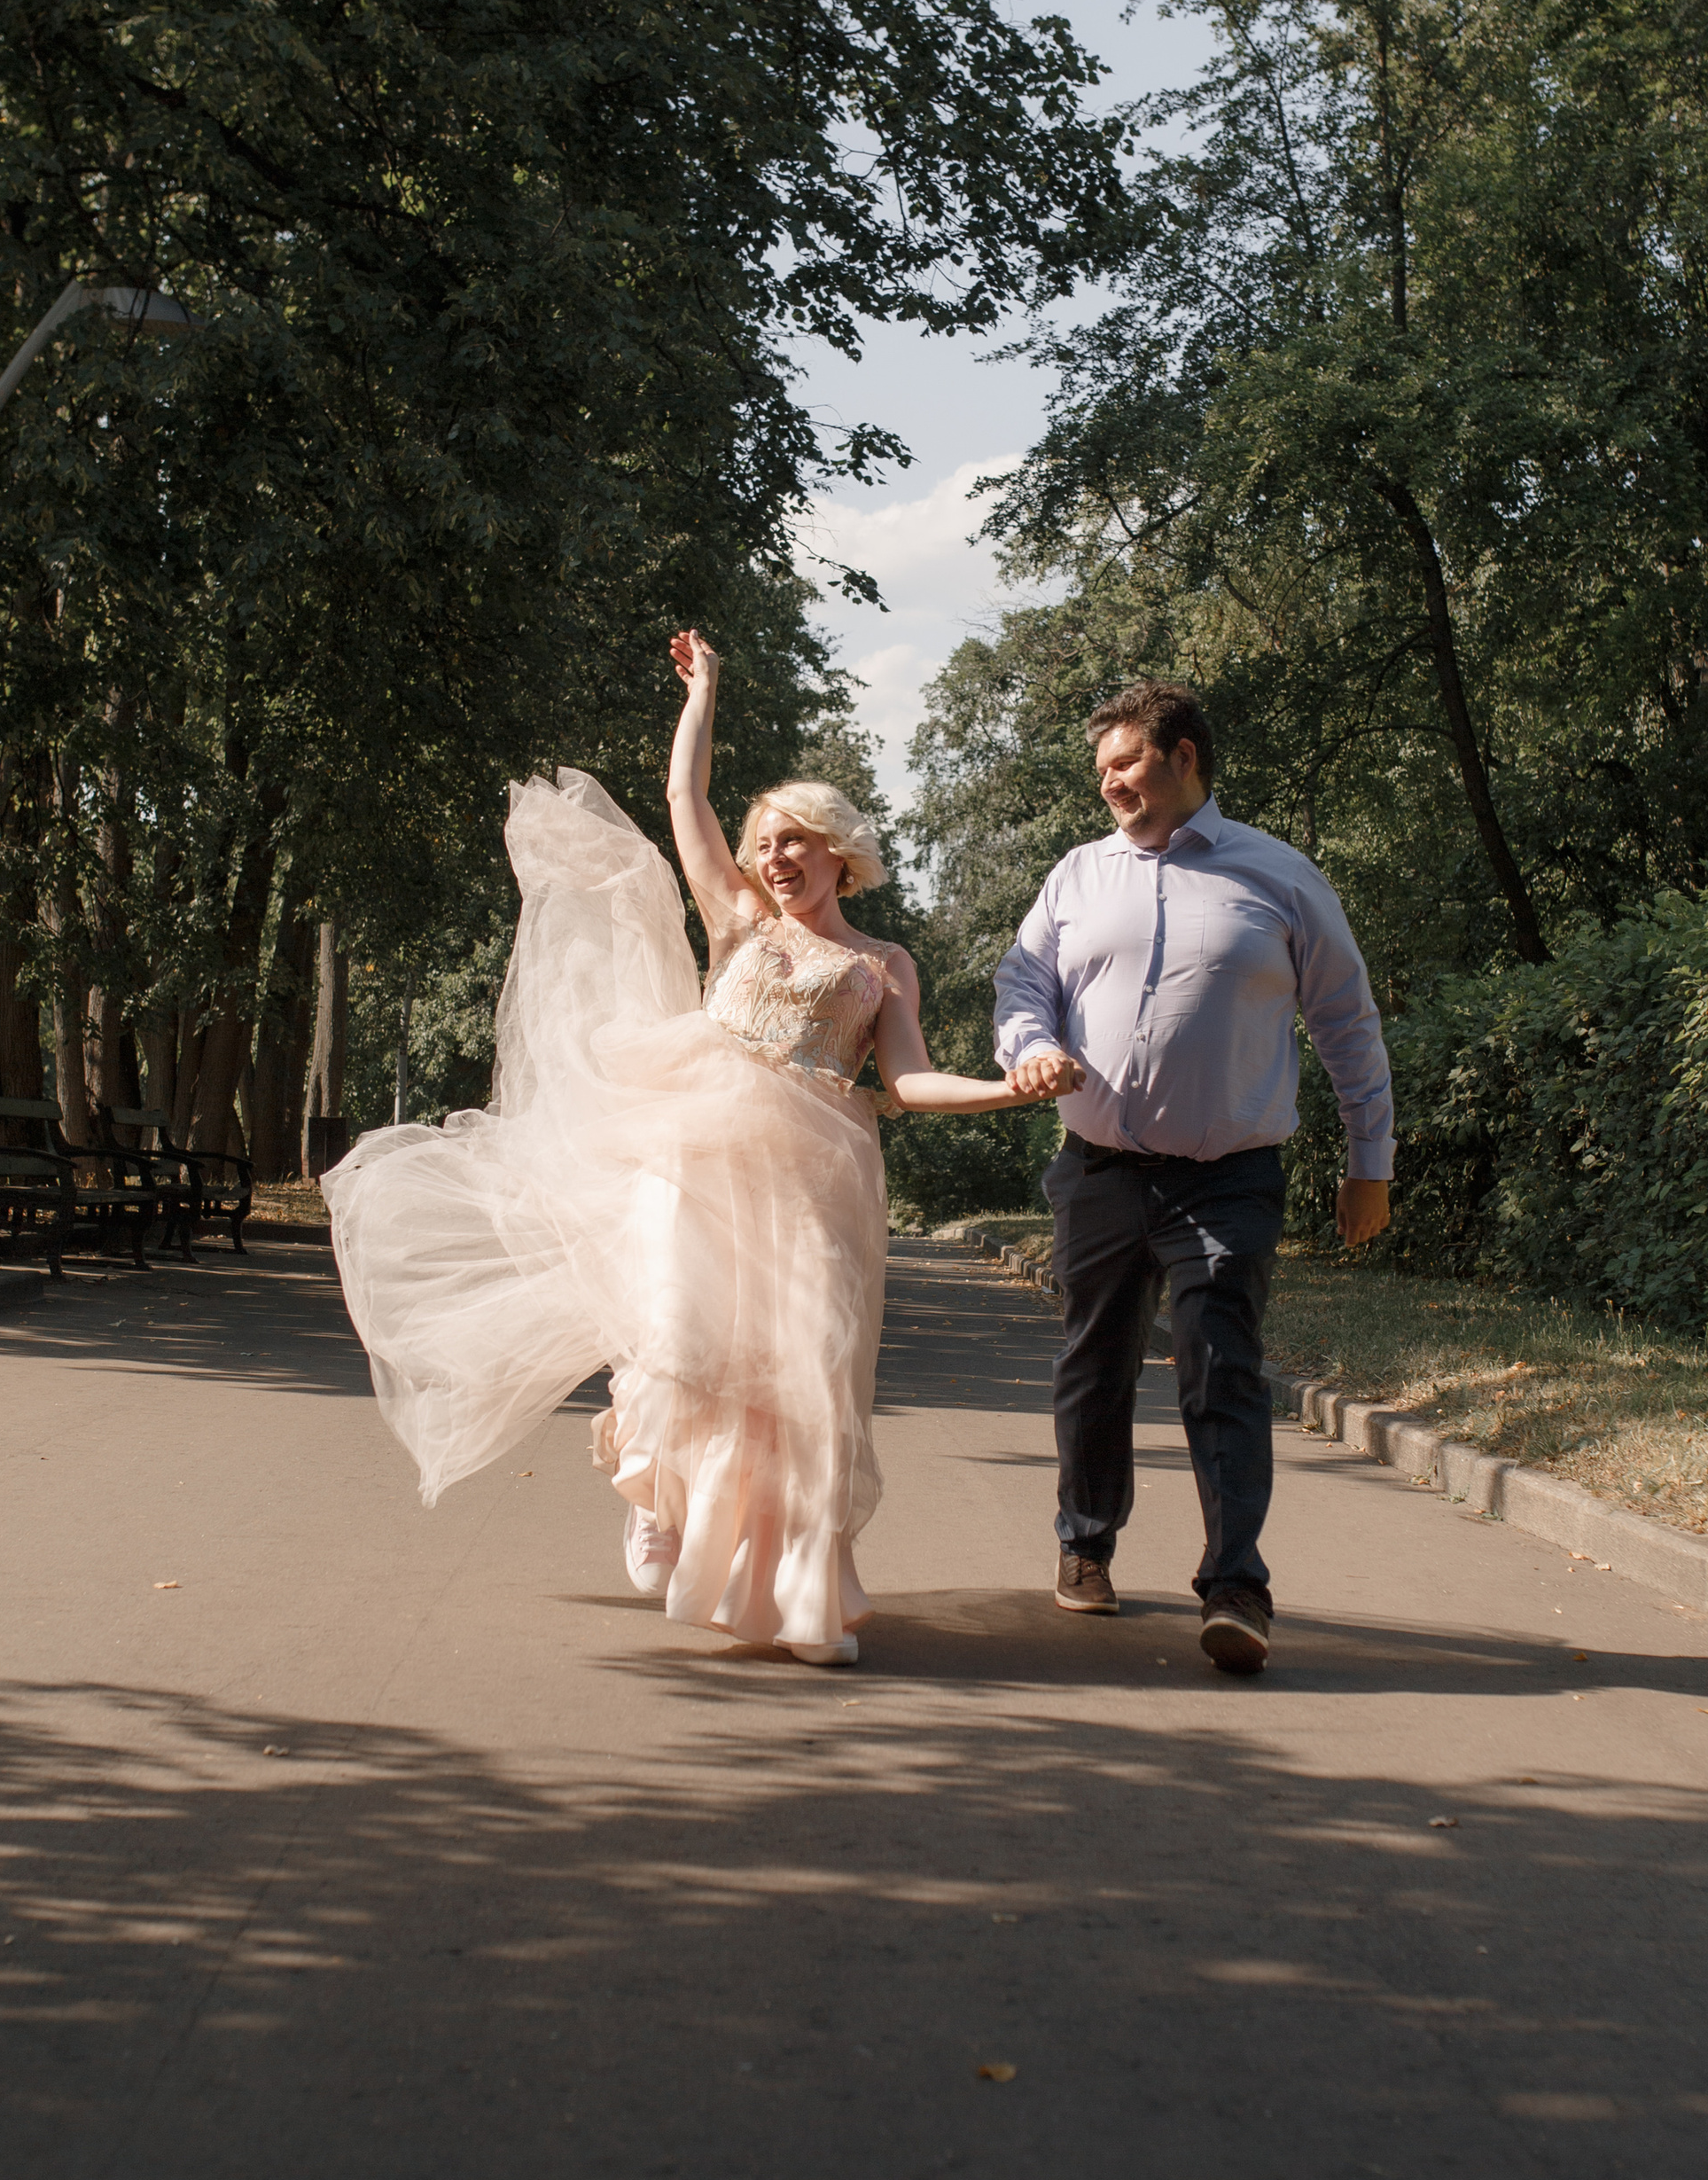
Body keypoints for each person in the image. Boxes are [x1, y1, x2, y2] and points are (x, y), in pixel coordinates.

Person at [327, 629, 1069, 1669]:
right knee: (684, 1347)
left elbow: (903, 1080)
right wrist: (703, 693)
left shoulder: (884, 962)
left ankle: (801, 1592)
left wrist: (1010, 1084)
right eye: (764, 843)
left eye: (793, 841)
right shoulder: (738, 921)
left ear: (836, 851)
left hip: (819, 1173)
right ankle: (664, 1504)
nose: (773, 858)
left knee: (806, 1372)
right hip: (699, 1152)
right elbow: (687, 804)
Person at [992, 679, 1393, 1677]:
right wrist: (1030, 1043)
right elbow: (1020, 982)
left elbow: (1347, 1024)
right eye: (1101, 771)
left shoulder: (1280, 875)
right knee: (1095, 1362)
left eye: (1124, 762)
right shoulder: (1077, 877)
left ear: (1183, 755)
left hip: (1227, 1176)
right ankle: (1085, 1542)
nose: (1110, 784)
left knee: (1221, 1365)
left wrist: (1368, 1163)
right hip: (1096, 1171)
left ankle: (1235, 1585)